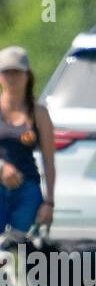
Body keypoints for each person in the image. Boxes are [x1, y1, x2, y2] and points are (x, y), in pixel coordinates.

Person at [0, 46, 56, 236]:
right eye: (7, 72)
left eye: (17, 72)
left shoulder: (39, 113)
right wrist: (1, 168)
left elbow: (49, 160)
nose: (12, 78)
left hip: (27, 190)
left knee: (20, 249)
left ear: (27, 75)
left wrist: (49, 203)